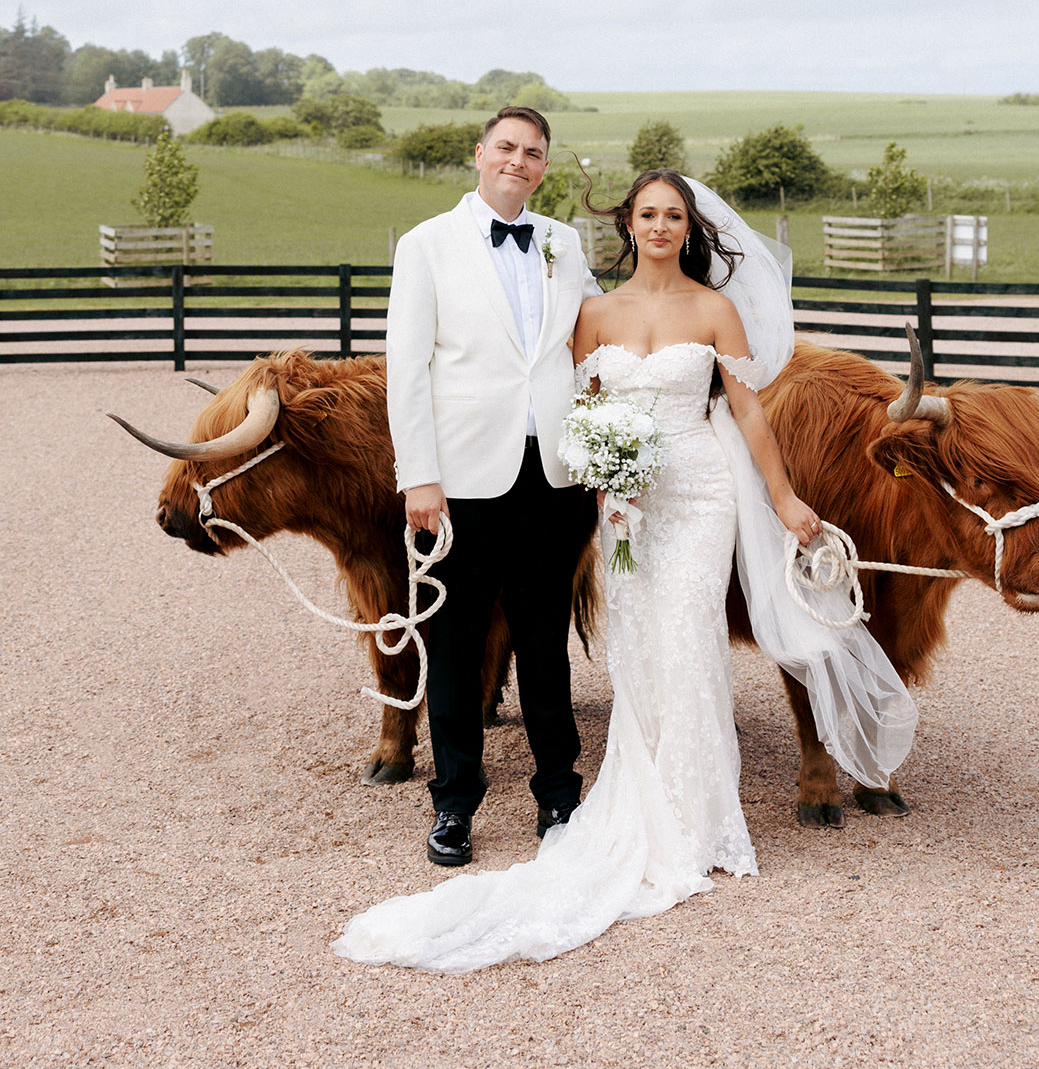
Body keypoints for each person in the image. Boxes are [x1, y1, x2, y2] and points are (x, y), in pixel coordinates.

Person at [335, 170, 916, 972]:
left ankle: (702, 816)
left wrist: (783, 500)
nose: (661, 226)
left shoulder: (716, 310)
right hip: (625, 503)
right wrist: (607, 482)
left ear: (691, 227)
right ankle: (632, 803)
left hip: (703, 492)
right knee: (639, 645)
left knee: (690, 636)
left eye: (674, 215)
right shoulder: (594, 313)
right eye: (648, 213)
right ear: (629, 224)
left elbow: (746, 407)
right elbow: (576, 408)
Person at [381, 104, 600, 868]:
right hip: (462, 482)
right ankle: (454, 803)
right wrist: (421, 478)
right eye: (506, 147)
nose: (519, 160)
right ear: (480, 154)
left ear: (543, 166)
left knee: (546, 641)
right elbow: (406, 369)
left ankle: (558, 795)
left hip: (555, 476)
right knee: (457, 645)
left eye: (533, 152)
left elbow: (588, 343)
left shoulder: (564, 243)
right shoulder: (426, 246)